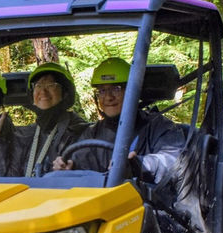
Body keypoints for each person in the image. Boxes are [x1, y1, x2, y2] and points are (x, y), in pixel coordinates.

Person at [53, 57, 185, 183]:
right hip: (103, 202)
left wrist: (138, 165)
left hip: (148, 202)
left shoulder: (158, 126)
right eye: (102, 91)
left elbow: (174, 160)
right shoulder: (91, 133)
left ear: (132, 91)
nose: (108, 97)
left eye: (116, 89)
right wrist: (68, 168)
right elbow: (79, 162)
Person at [0, 62, 88, 176]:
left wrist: (71, 173)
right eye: (38, 86)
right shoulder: (25, 134)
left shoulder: (79, 131)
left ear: (65, 93)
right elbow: (3, 178)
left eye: (51, 85)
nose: (43, 92)